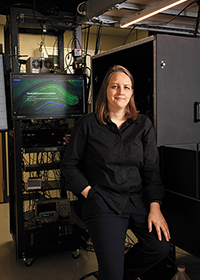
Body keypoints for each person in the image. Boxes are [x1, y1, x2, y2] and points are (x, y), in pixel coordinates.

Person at [60, 65, 171, 280]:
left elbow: (151, 169)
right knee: (112, 272)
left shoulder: (143, 125)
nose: (121, 91)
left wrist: (155, 207)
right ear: (106, 91)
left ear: (131, 93)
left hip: (137, 200)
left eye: (126, 87)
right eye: (115, 86)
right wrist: (90, 194)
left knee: (159, 247)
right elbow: (68, 165)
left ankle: (116, 275)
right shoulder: (86, 124)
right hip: (103, 200)